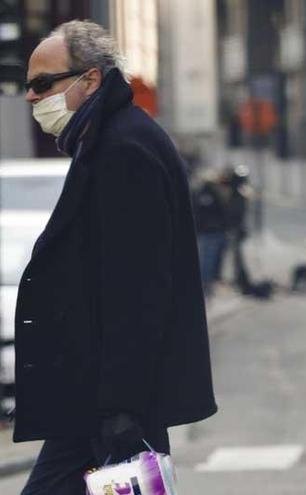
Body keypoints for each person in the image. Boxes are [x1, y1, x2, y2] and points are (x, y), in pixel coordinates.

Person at [17, 21, 217, 493]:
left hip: (113, 405)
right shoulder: (109, 139)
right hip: (96, 401)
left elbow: (138, 291)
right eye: (28, 85)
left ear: (89, 79)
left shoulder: (122, 149)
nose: (31, 96)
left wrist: (121, 408)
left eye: (43, 84)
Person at [193, 170, 230, 296]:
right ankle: (206, 286)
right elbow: (204, 214)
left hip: (215, 231)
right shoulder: (207, 194)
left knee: (213, 260)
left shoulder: (215, 193)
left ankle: (209, 285)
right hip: (210, 232)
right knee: (208, 261)